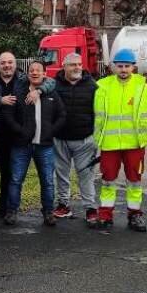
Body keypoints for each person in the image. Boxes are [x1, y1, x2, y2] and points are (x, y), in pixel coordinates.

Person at [0, 51, 55, 221]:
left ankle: (5, 208)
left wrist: (39, 91)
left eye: (10, 62)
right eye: (3, 63)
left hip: (14, 137)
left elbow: (50, 82)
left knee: (9, 174)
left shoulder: (23, 80)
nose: (7, 65)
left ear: (15, 65)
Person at [93, 48, 147, 232]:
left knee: (134, 181)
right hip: (109, 144)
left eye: (127, 66)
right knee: (107, 181)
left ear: (133, 67)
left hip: (134, 144)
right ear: (114, 67)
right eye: (120, 66)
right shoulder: (102, 86)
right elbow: (96, 114)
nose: (123, 69)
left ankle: (135, 215)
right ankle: (105, 215)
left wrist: (145, 135)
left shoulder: (145, 89)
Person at [3, 61, 67, 226]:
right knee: (16, 179)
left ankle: (47, 212)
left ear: (45, 73)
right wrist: (19, 130)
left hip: (44, 146)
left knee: (47, 181)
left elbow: (62, 115)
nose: (35, 73)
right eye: (32, 70)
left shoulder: (52, 93)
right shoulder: (18, 91)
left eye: (39, 70)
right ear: (28, 73)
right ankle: (11, 211)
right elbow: (8, 115)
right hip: (21, 145)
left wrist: (51, 131)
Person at [52, 53, 99, 226]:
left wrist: (96, 137)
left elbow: (99, 112)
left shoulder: (93, 86)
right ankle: (63, 205)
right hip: (60, 139)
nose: (77, 67)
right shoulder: (54, 85)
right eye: (72, 65)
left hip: (85, 140)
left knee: (86, 175)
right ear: (64, 66)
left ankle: (90, 209)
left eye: (79, 64)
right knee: (61, 174)